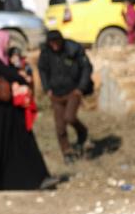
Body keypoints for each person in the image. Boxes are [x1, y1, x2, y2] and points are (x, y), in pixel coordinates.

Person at [0, 31, 55, 191]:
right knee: (9, 141)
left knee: (22, 140)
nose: (7, 45)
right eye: (5, 42)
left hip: (11, 109)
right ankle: (14, 180)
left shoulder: (3, 59)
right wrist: (21, 78)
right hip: (2, 111)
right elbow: (9, 74)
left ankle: (36, 178)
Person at [37, 30, 93, 164]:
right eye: (52, 42)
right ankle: (67, 152)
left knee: (70, 117)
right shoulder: (45, 53)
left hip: (73, 91)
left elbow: (86, 67)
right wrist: (47, 88)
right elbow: (42, 70)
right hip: (56, 94)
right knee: (60, 127)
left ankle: (82, 132)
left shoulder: (73, 49)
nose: (55, 45)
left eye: (57, 42)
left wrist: (81, 88)